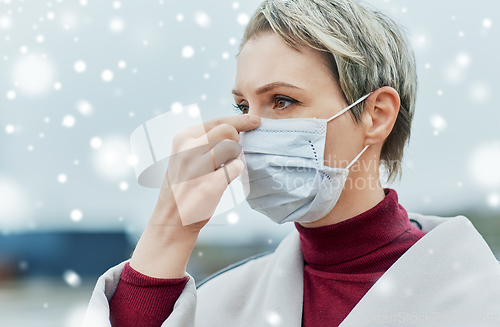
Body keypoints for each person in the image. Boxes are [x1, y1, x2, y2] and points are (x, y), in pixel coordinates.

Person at [82, 0, 500, 326]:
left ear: (376, 114)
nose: (250, 128)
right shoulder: (220, 304)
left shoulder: (481, 299)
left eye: (283, 100)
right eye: (243, 105)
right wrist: (169, 230)